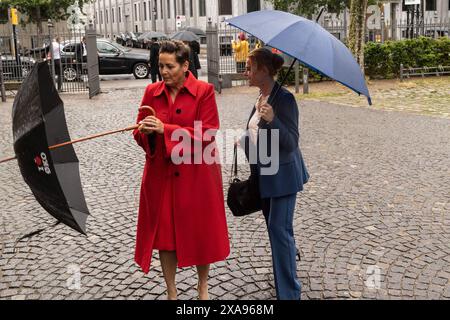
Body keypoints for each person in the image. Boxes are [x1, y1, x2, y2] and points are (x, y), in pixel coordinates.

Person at [133, 40, 230, 300]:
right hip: (161, 176)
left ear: (185, 66)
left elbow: (208, 133)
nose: (163, 72)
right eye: (160, 66)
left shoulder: (204, 91)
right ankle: (172, 291)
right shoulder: (151, 91)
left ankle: (202, 285)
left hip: (197, 175)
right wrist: (146, 133)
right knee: (165, 235)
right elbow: (139, 131)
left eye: (170, 66)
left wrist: (166, 130)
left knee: (200, 231)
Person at [239, 48, 309, 300]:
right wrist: (245, 140)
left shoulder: (285, 100)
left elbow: (291, 142)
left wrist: (274, 120)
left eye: (249, 67)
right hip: (265, 176)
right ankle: (289, 254)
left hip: (283, 179)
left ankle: (290, 294)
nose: (246, 72)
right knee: (277, 230)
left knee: (279, 231)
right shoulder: (261, 96)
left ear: (263, 70)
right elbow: (256, 132)